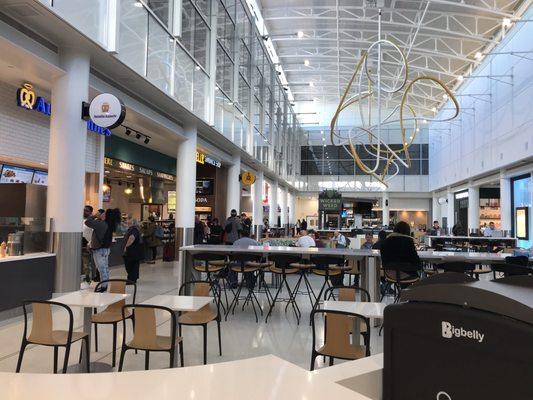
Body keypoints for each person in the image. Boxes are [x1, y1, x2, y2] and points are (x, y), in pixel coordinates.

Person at [85, 209, 116, 291]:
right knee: (105, 267)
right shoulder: (109, 224)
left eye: (103, 214)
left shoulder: (101, 224)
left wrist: (95, 215)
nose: (101, 214)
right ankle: (105, 284)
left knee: (101, 268)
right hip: (105, 249)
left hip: (99, 250)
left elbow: (87, 222)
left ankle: (104, 286)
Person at [123, 218, 144, 283]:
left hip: (132, 251)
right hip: (135, 251)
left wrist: (126, 246)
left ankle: (131, 279)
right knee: (133, 265)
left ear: (132, 223)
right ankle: (132, 278)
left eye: (129, 222)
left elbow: (132, 238)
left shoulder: (133, 230)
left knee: (131, 265)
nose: (127, 222)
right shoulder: (135, 229)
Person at [82, 205, 94, 284]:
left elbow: (95, 233)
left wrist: (89, 243)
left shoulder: (92, 221)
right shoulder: (81, 220)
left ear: (90, 212)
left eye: (86, 210)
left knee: (92, 263)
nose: (84, 212)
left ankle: (92, 278)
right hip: (82, 244)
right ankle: (87, 277)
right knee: (85, 263)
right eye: (83, 210)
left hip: (90, 245)